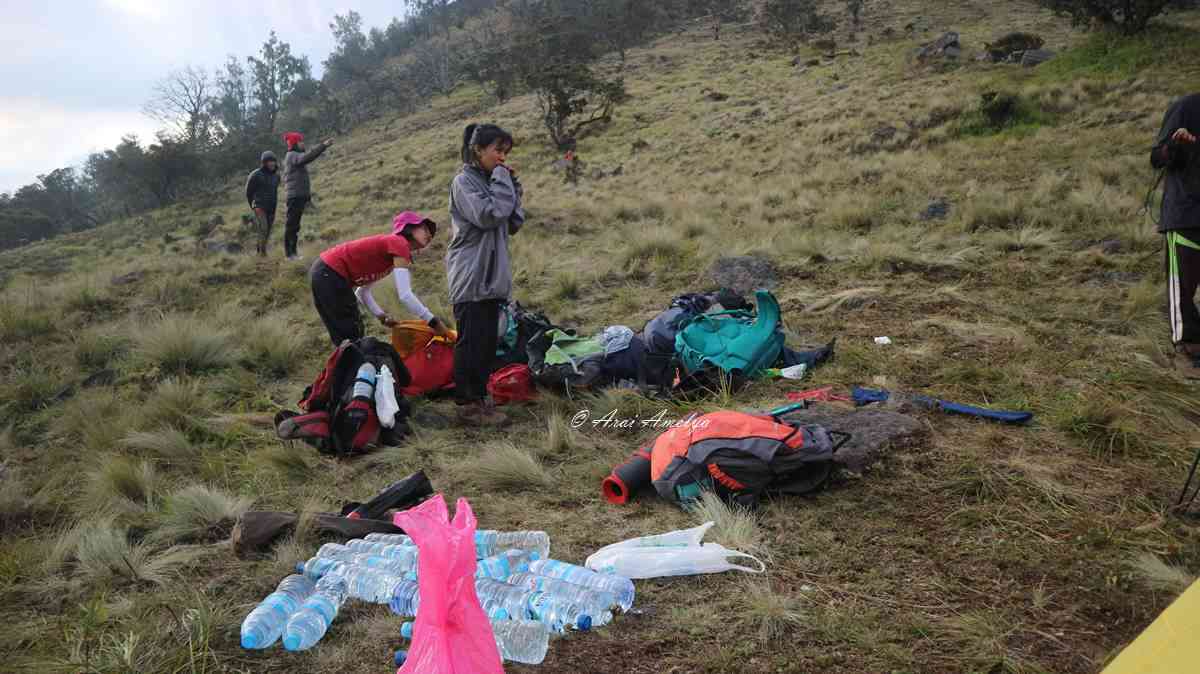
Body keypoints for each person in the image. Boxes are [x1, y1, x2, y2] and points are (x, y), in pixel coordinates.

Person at [447, 123, 525, 426]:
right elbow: (489, 215)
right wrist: (503, 181)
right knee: (472, 341)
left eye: (506, 152)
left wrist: (512, 187)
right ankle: (467, 406)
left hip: (493, 275)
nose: (502, 157)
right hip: (471, 274)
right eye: (497, 150)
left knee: (487, 342)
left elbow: (513, 221)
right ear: (478, 150)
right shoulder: (463, 182)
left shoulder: (492, 179)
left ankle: (480, 400)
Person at [310, 211, 450, 347]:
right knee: (352, 338)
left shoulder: (390, 257)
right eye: (425, 228)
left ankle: (350, 367)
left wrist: (381, 317)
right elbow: (405, 295)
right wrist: (434, 322)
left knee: (348, 339)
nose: (429, 235)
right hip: (330, 273)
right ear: (408, 228)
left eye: (431, 234)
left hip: (325, 273)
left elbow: (362, 293)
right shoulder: (399, 243)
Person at [1152, 94, 1200, 377]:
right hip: (1187, 215)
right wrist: (1175, 147)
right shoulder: (1185, 108)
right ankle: (1188, 353)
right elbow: (1157, 157)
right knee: (1182, 287)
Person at [283, 132, 334, 260]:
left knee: (295, 226)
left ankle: (293, 253)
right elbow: (307, 157)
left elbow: (306, 157)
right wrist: (323, 146)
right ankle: (290, 255)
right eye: (300, 141)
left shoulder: (295, 155)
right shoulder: (292, 155)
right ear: (295, 143)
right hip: (294, 197)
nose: (303, 143)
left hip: (300, 196)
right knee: (292, 225)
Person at [245, 151, 280, 256]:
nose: (272, 163)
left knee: (267, 230)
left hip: (272, 207)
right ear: (264, 163)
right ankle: (262, 254)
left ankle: (259, 250)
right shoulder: (255, 174)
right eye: (269, 161)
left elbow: (274, 191)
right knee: (263, 228)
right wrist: (252, 204)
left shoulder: (277, 176)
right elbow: (249, 192)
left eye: (273, 161)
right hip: (259, 205)